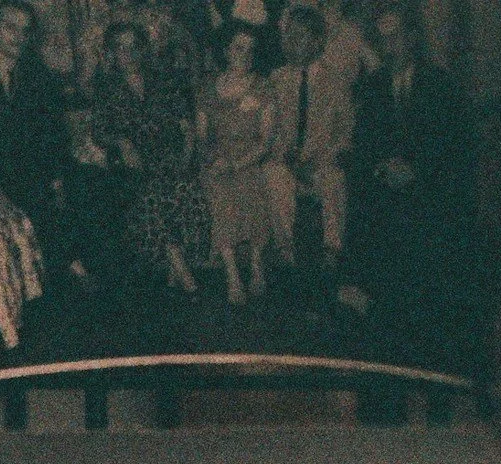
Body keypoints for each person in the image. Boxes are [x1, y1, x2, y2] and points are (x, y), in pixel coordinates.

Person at [345, 4, 480, 366]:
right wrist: (380, 170)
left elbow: (458, 152)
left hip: (430, 201)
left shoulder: (441, 87)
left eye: (396, 37)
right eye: (383, 39)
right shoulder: (372, 88)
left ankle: (428, 355)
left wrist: (417, 173)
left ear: (413, 38)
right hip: (385, 201)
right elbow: (362, 149)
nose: (390, 47)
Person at [0, 2, 77, 276]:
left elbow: (51, 134)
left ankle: (63, 267)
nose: (19, 36)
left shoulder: (38, 76)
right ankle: (65, 265)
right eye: (10, 27)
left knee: (66, 193)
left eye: (25, 30)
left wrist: (56, 176)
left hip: (30, 173)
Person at [90, 21, 214, 293]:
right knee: (149, 193)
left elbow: (186, 125)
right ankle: (182, 270)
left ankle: (176, 264)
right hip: (132, 163)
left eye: (134, 46)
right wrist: (122, 141)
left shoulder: (164, 80)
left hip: (170, 154)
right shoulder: (106, 86)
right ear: (111, 52)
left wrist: (186, 158)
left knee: (183, 188)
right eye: (121, 47)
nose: (128, 54)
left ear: (143, 49)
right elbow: (99, 131)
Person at [263, 6, 354, 287]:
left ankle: (331, 250)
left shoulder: (336, 82)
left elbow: (346, 132)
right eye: (288, 36)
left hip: (321, 162)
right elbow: (270, 130)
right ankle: (285, 252)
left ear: (317, 42)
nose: (292, 43)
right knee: (274, 175)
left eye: (300, 36)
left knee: (333, 178)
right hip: (288, 161)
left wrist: (319, 160)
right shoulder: (276, 80)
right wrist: (288, 157)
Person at [199, 26, 276, 301]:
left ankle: (256, 266)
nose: (245, 55)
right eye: (239, 48)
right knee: (218, 188)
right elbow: (202, 137)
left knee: (252, 183)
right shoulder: (209, 88)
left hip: (249, 157)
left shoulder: (263, 87)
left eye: (251, 50)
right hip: (218, 158)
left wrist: (237, 163)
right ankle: (232, 274)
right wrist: (216, 159)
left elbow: (265, 142)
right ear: (226, 51)